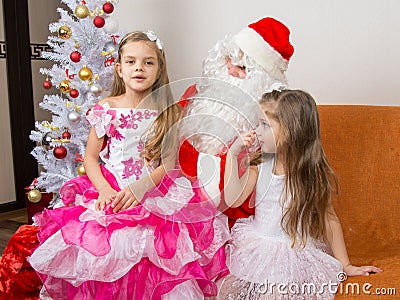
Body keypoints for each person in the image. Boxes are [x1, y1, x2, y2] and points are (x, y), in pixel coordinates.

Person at [2, 31, 230, 300]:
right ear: (119, 69)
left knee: (153, 249)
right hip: (111, 187)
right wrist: (105, 191)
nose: (139, 68)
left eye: (148, 62)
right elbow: (90, 158)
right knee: (110, 248)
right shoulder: (106, 108)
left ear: (159, 70)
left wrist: (143, 186)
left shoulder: (168, 111)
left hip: (154, 188)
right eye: (131, 61)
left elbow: (169, 161)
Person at [217, 89, 383, 299]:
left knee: (278, 293)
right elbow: (233, 199)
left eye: (265, 125)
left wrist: (346, 264)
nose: (257, 131)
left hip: (295, 253)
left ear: (290, 131)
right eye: (258, 123)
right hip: (261, 249)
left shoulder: (310, 174)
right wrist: (232, 154)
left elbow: (329, 219)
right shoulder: (260, 166)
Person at [177, 17, 295, 228]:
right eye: (228, 60)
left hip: (231, 216)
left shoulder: (265, 124)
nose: (230, 70)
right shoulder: (195, 95)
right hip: (180, 198)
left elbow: (249, 192)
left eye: (242, 68)